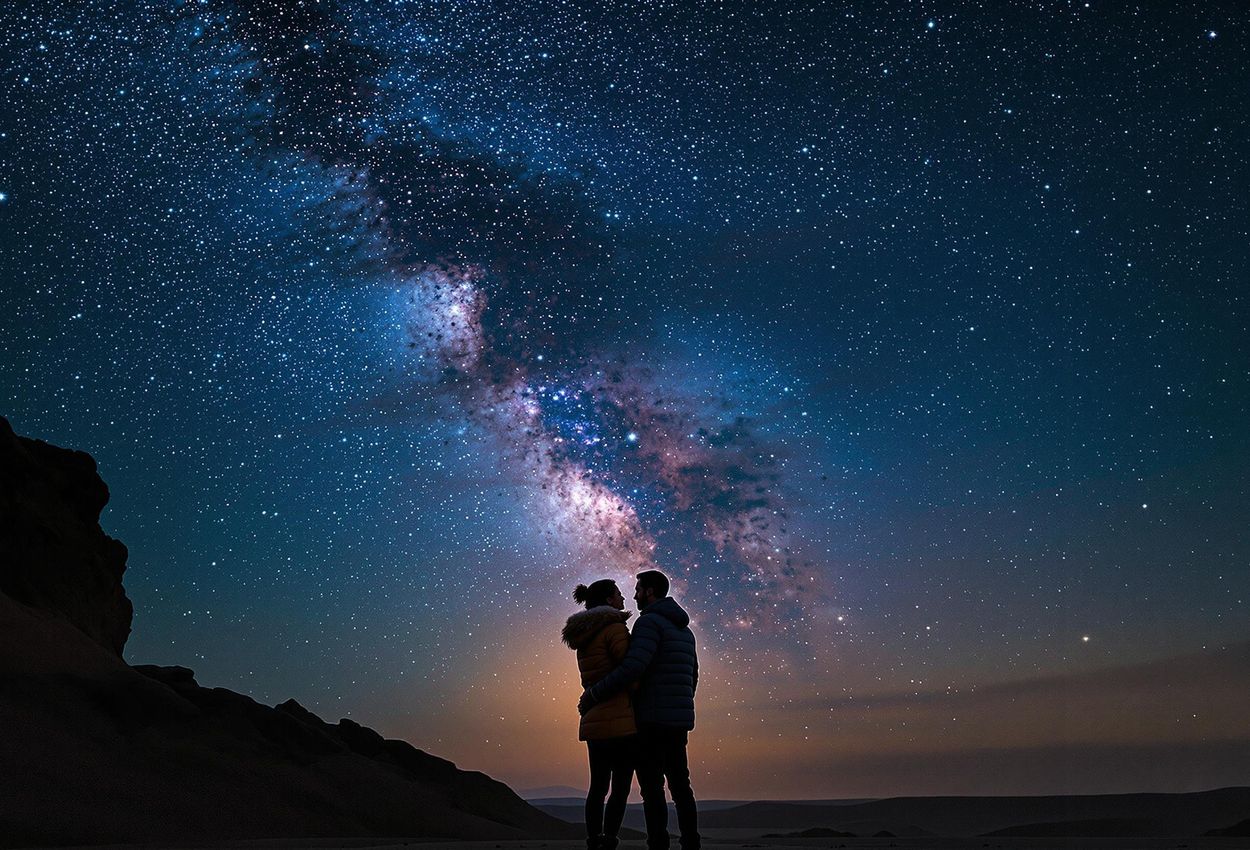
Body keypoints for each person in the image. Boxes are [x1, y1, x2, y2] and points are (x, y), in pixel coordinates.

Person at [578, 569, 699, 850]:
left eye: (638, 589)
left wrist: (593, 694)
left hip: (652, 719)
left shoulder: (649, 624)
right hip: (679, 720)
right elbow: (693, 674)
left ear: (650, 591)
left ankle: (658, 843)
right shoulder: (686, 631)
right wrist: (680, 704)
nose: (633, 595)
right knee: (681, 787)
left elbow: (632, 667)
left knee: (653, 789)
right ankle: (692, 843)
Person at [562, 579, 636, 850]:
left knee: (597, 787)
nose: (624, 598)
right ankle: (609, 840)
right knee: (620, 788)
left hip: (594, 721)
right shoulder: (614, 629)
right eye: (618, 594)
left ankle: (593, 840)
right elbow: (630, 669)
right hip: (621, 721)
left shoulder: (585, 636)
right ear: (608, 600)